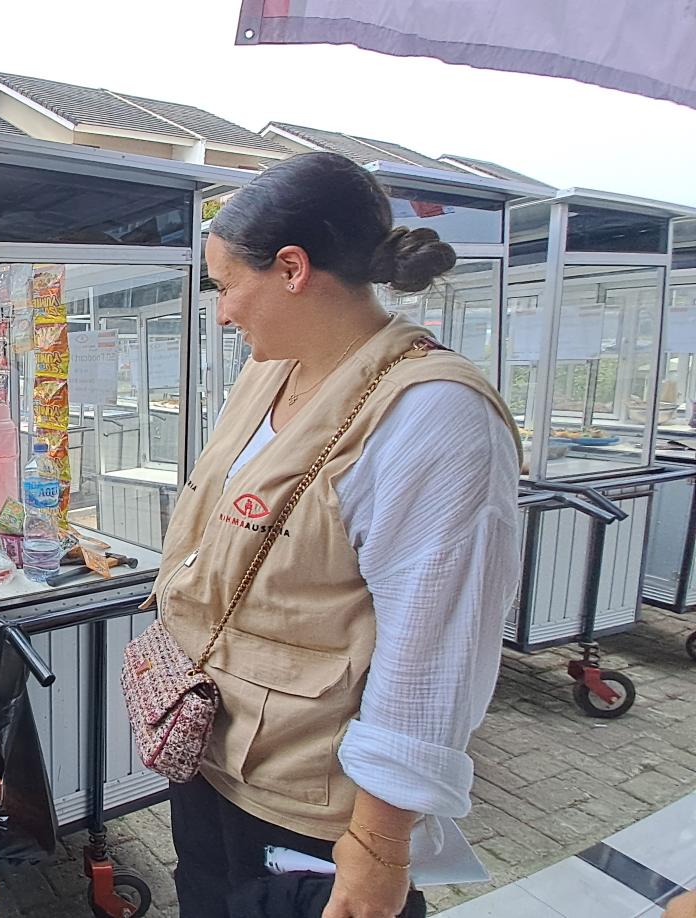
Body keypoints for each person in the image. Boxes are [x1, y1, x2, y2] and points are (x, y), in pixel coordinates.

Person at [148, 153, 522, 918]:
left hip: (311, 806)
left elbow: (432, 655)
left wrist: (379, 850)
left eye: (226, 286)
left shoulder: (432, 415)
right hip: (214, 757)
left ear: (292, 268)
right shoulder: (271, 373)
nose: (222, 313)